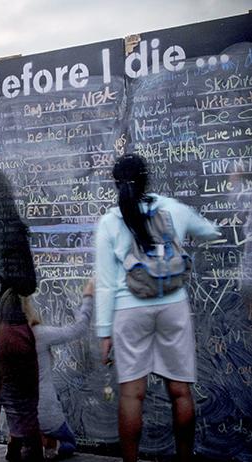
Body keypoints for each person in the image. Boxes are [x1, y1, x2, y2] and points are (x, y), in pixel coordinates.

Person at [95, 154, 220, 462]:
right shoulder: (173, 208)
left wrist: (104, 332)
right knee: (180, 391)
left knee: (131, 394)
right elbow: (211, 231)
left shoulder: (110, 221)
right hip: (173, 305)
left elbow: (106, 283)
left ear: (116, 183)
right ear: (147, 179)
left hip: (128, 311)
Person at [27, 279, 94, 460]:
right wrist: (88, 297)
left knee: (27, 443)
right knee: (70, 444)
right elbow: (78, 329)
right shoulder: (38, 334)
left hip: (18, 415)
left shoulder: (1, 337)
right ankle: (49, 444)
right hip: (45, 409)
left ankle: (28, 444)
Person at [0, 288, 43, 461]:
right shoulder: (27, 333)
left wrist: (1, 392)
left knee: (17, 426)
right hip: (28, 391)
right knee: (30, 431)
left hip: (8, 393)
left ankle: (14, 451)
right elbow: (34, 366)